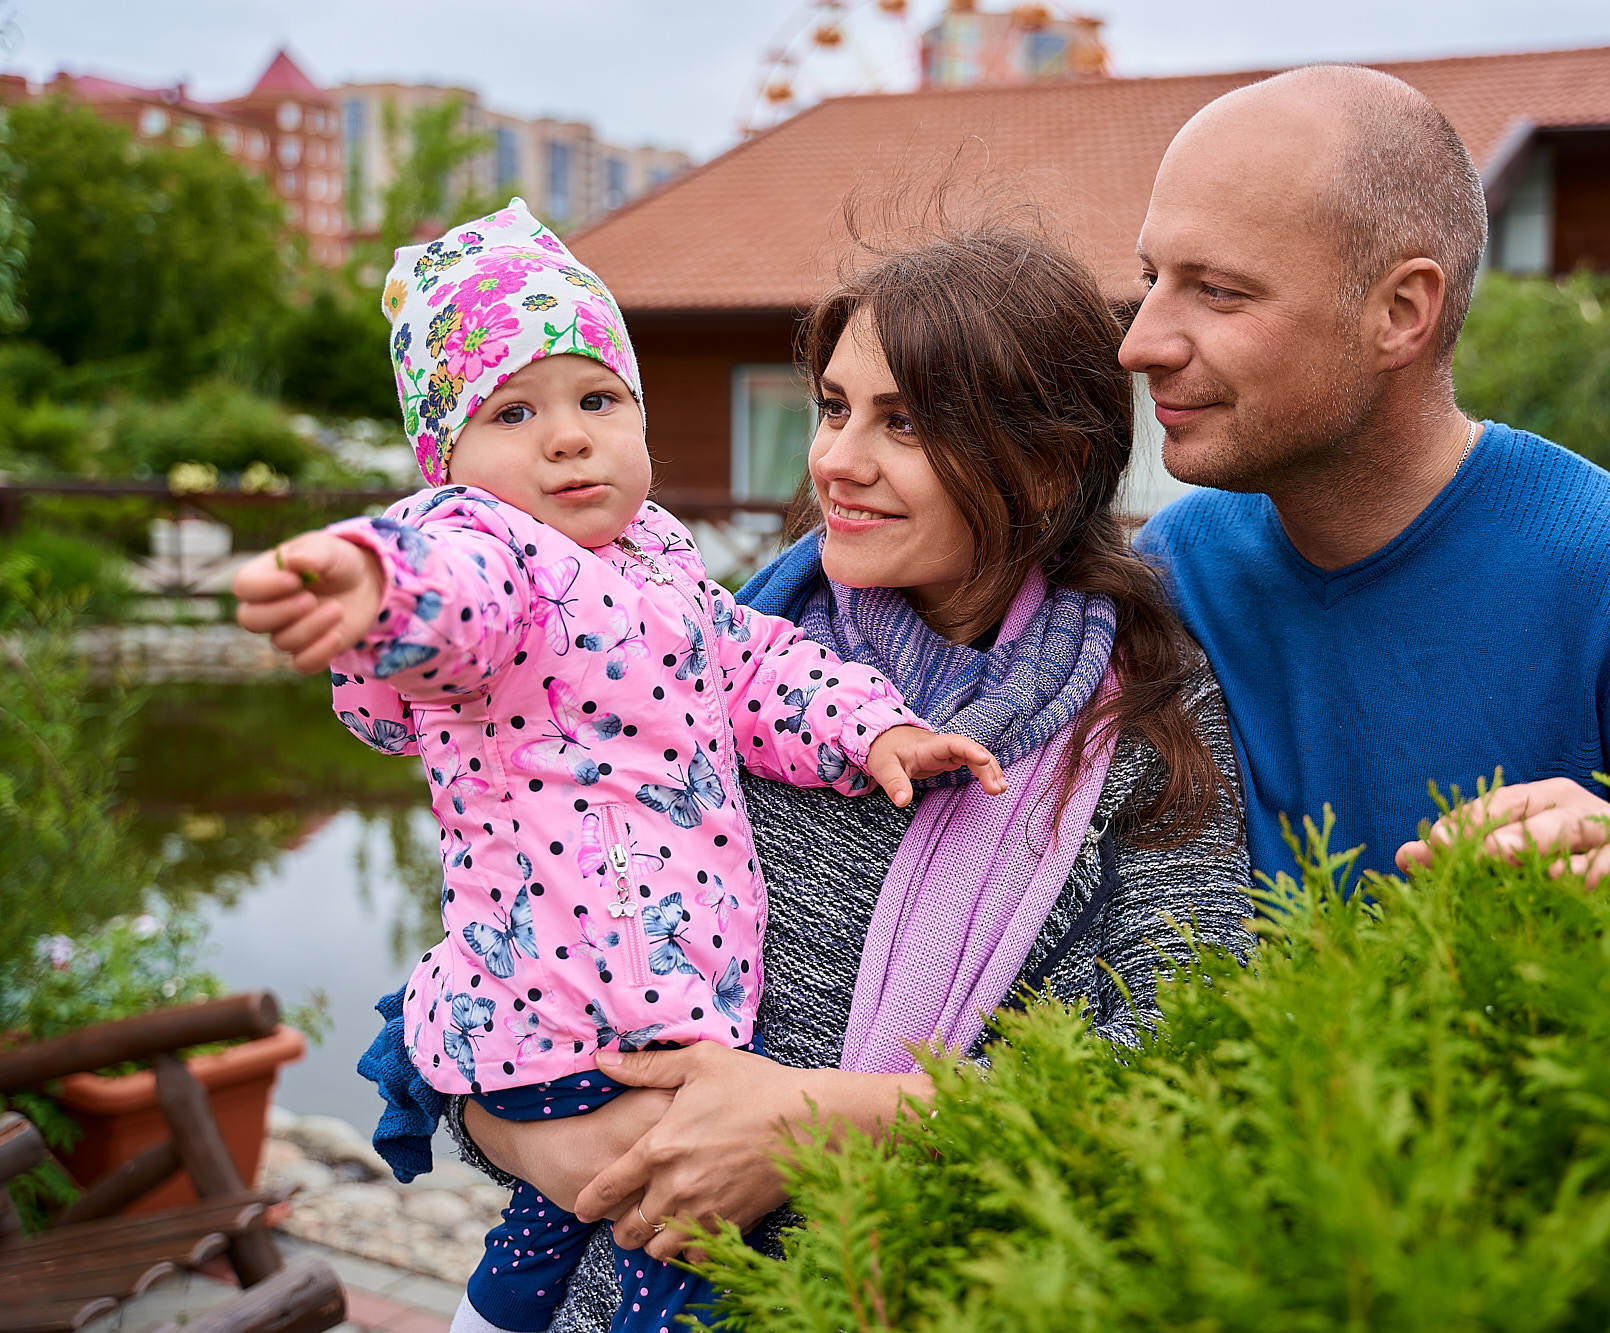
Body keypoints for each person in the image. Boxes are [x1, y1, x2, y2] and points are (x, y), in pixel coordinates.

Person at [357, 224, 1254, 1331]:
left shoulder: (1141, 724)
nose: (834, 460)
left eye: (905, 423)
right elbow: (505, 946)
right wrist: (525, 1132)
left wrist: (830, 1118)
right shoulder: (701, 639)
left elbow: (1180, 1057)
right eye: (833, 407)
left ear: (1048, 463)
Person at [232, 201, 1009, 1333]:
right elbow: (451, 590)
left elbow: (760, 667)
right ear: (446, 460)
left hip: (653, 991)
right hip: (566, 1004)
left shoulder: (666, 571)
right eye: (513, 411)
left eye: (599, 399)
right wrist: (374, 589)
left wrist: (871, 729)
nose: (567, 437)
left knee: (546, 1239)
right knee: (682, 1249)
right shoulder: (500, 555)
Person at [1123, 66, 1610, 887]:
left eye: (1220, 291)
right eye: (1150, 280)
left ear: (1400, 313)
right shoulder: (1174, 574)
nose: (1141, 344)